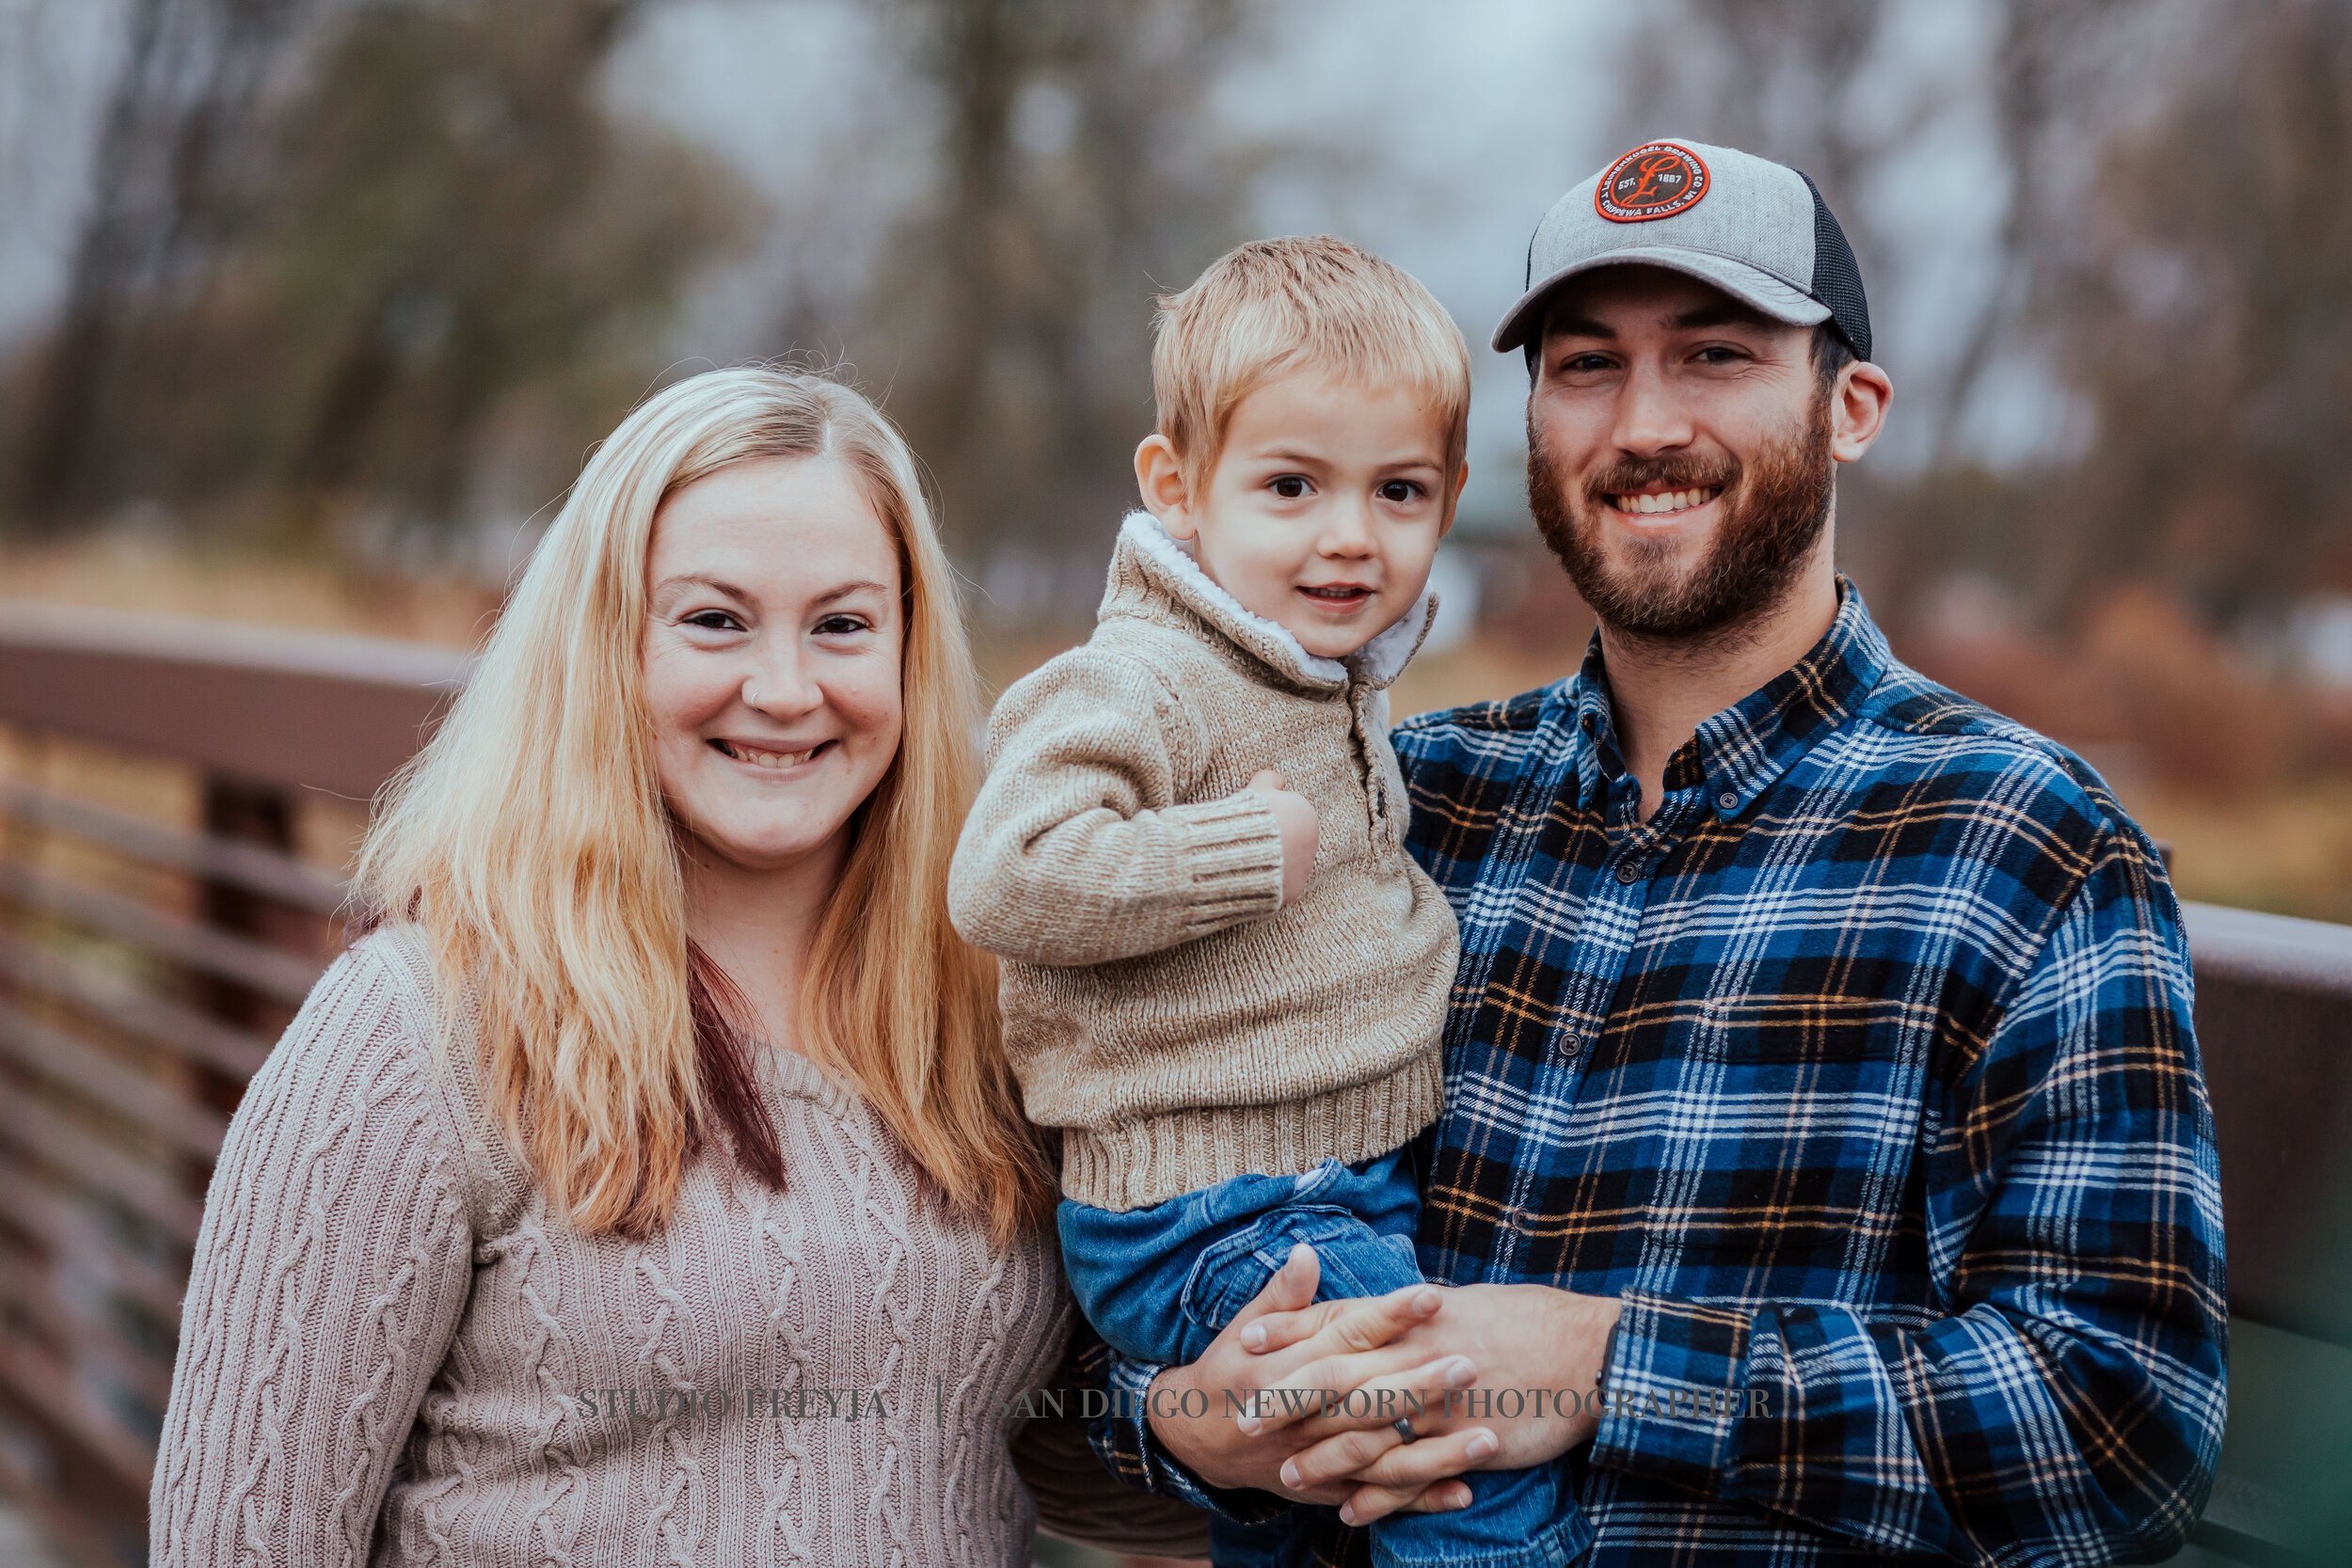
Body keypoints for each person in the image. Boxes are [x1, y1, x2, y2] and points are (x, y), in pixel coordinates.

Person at [1087, 139, 2228, 1567]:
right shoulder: (1404, 802)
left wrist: (1605, 1364)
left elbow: (2120, 1430)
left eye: (1715, 355)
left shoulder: (2021, 848)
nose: (1643, 423)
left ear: (1851, 405)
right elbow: (1153, 1224)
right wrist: (1180, 1418)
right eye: (1585, 365)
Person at [149, 366, 1210, 1565]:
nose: (784, 688)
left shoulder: (987, 1008)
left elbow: (1006, 1446)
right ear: (607, 645)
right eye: (714, 618)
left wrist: (1233, 1431)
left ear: (910, 651)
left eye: (843, 623)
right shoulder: (418, 1030)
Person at [949, 234, 1583, 1568]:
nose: (1350, 535)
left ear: (1451, 495)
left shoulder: (1320, 673)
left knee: (1314, 1520)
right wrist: (1239, 852)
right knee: (1456, 1446)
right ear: (1178, 487)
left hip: (1326, 1188)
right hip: (1216, 1204)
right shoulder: (1142, 678)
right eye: (1291, 483)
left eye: (1399, 490)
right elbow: (1004, 872)